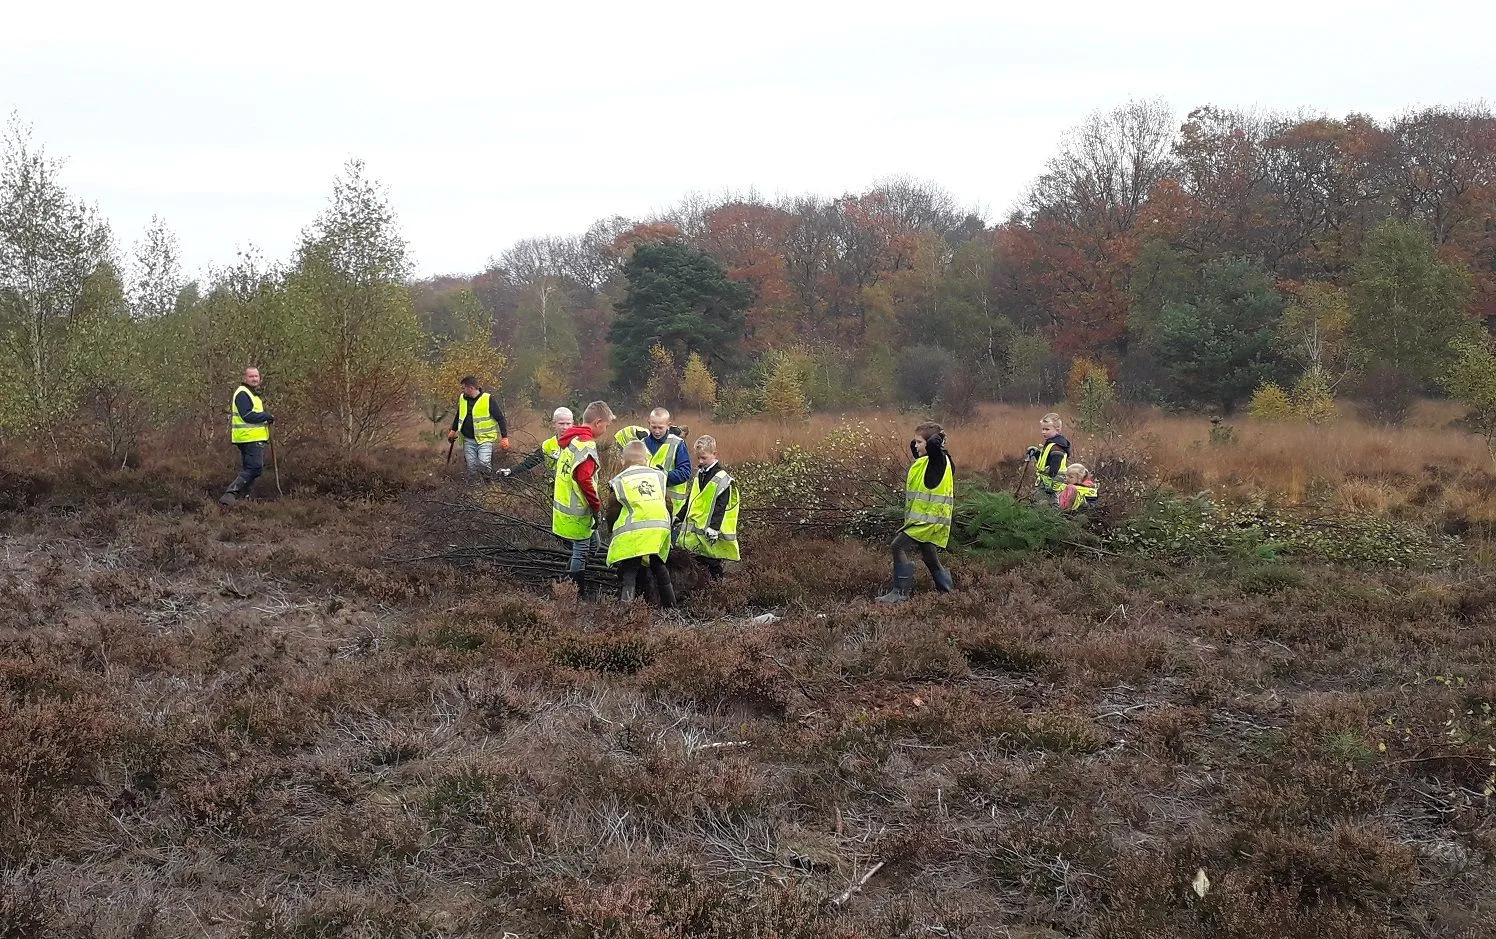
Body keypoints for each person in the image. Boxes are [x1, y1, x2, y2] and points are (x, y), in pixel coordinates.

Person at [876, 421, 955, 603]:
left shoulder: (939, 461)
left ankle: (900, 593)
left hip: (927, 520)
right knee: (928, 553)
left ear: (933, 443)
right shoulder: (928, 462)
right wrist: (919, 445)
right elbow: (923, 460)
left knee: (898, 546)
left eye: (919, 442)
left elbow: (935, 449)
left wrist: (936, 439)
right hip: (927, 519)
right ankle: (946, 590)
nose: (915, 445)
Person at [552, 401, 614, 597]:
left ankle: (564, 580)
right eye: (606, 425)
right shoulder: (586, 446)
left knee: (593, 546)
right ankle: (574, 591)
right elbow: (584, 479)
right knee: (581, 550)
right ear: (597, 422)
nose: (606, 430)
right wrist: (597, 505)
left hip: (565, 508)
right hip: (577, 510)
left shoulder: (573, 438)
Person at [605, 441, 677, 607]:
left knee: (630, 570)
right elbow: (668, 504)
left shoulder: (620, 481)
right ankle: (671, 608)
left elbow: (612, 511)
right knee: (659, 566)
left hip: (634, 533)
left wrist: (611, 529)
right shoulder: (657, 476)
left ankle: (626, 612)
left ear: (623, 461)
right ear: (646, 459)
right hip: (659, 529)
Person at [677, 435, 740, 582]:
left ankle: (717, 588)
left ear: (714, 454)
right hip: (698, 531)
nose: (700, 462)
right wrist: (679, 516)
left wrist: (714, 528)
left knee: (712, 562)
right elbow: (691, 500)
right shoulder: (700, 474)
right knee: (697, 560)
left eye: (703, 458)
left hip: (710, 531)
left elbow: (721, 506)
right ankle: (704, 588)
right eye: (698, 458)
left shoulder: (722, 478)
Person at [614, 409, 692, 516]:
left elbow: (685, 472)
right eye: (653, 427)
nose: (657, 431)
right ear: (649, 423)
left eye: (660, 428)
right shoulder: (641, 444)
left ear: (668, 425)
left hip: (672, 509)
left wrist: (664, 475)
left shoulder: (677, 444)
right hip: (646, 506)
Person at [220, 366, 273, 506]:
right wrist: (266, 416)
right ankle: (230, 493)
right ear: (245, 378)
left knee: (250, 469)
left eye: (256, 376)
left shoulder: (252, 394)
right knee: (255, 468)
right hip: (248, 438)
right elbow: (247, 416)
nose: (255, 379)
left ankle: (243, 499)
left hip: (252, 437)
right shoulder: (243, 394)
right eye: (251, 376)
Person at [447, 377, 510, 476]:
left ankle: (487, 486)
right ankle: (475, 488)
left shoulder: (487, 399)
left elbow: (500, 418)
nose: (462, 391)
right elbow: (459, 414)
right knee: (471, 467)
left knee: (484, 465)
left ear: (471, 388)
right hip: (468, 440)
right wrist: (453, 430)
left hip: (485, 440)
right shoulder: (462, 398)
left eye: (463, 388)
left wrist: (504, 437)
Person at [501, 407, 573, 478]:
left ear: (572, 424)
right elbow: (530, 462)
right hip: (553, 486)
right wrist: (510, 471)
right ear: (553, 424)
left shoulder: (579, 443)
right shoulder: (548, 445)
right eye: (561, 424)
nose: (565, 427)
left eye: (568, 424)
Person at [1025, 412, 1071, 507]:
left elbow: (1055, 463)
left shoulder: (1057, 446)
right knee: (1047, 502)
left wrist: (1051, 478)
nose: (1043, 432)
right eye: (1042, 429)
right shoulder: (1050, 444)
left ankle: (1050, 519)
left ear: (1057, 429)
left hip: (1052, 480)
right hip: (1046, 480)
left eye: (1047, 429)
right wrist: (1036, 452)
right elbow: (1045, 462)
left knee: (1047, 503)